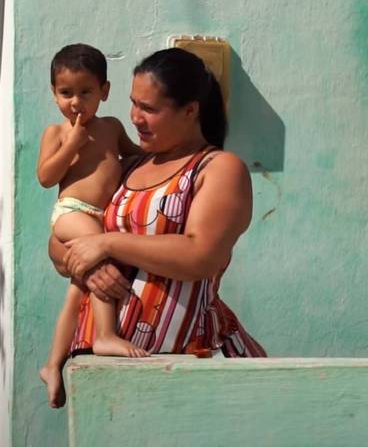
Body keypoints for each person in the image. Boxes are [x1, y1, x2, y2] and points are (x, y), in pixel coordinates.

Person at [51, 47, 266, 364]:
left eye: (149, 108)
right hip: (109, 369)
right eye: (133, 103)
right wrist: (92, 265)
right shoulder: (128, 166)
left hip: (195, 362)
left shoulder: (217, 169)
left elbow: (201, 257)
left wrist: (106, 243)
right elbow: (58, 241)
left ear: (190, 111)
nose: (135, 117)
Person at [37, 43, 146, 409]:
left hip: (98, 217)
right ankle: (105, 335)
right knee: (104, 255)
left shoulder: (112, 128)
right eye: (66, 93)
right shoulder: (56, 133)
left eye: (86, 92)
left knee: (78, 288)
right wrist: (71, 145)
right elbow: (45, 177)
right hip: (70, 212)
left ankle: (52, 365)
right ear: (54, 94)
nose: (75, 102)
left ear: (104, 91)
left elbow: (137, 154)